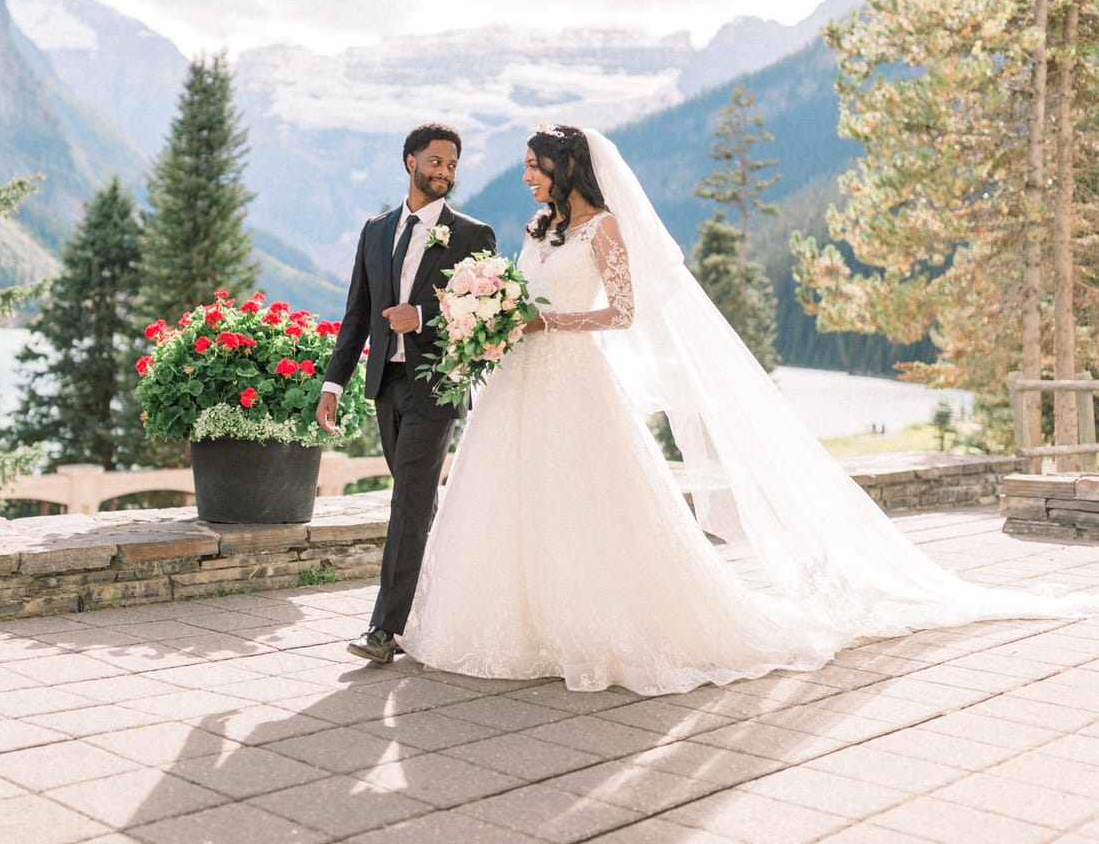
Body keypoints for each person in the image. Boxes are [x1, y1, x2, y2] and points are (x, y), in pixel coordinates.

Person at [400, 124, 1097, 695]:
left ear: (564, 166)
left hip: (571, 375)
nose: (526, 176)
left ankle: (589, 622)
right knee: (516, 495)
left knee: (586, 496)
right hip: (521, 378)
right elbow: (524, 293)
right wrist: (490, 310)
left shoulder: (605, 230)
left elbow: (623, 312)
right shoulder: (540, 227)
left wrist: (545, 325)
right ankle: (517, 621)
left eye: (534, 166)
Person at [318, 122, 497, 664]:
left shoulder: (472, 234)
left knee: (407, 503)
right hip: (385, 386)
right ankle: (448, 606)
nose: (445, 173)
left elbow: (485, 317)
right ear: (410, 161)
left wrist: (419, 316)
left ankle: (384, 630)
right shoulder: (375, 230)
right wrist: (333, 382)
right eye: (437, 162)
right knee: (419, 503)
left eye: (453, 165)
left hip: (436, 387)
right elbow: (357, 315)